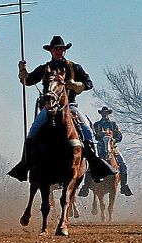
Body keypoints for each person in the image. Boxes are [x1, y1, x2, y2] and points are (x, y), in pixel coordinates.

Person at [8, 36, 116, 182]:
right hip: (49, 109)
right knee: (32, 132)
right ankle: (24, 165)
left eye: (61, 49)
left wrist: (77, 85)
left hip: (70, 107)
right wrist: (23, 72)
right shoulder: (44, 68)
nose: (59, 51)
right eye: (56, 49)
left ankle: (95, 167)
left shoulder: (74, 67)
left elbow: (89, 83)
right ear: (51, 51)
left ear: (65, 50)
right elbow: (28, 81)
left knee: (87, 131)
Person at [80, 106, 133, 196]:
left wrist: (114, 140)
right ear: (101, 114)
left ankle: (124, 185)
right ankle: (86, 186)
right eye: (103, 113)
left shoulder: (113, 124)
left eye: (106, 112)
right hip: (100, 147)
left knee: (123, 164)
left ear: (108, 113)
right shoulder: (97, 124)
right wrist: (100, 135)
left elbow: (119, 136)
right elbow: (95, 137)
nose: (105, 114)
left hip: (112, 147)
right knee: (90, 165)